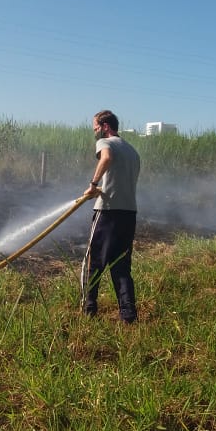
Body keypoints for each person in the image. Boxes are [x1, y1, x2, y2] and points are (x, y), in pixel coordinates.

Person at [82, 109, 141, 323]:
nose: (95, 132)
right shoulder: (132, 151)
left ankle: (89, 311)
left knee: (94, 262)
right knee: (121, 267)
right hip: (129, 213)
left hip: (107, 211)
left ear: (106, 126)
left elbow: (106, 158)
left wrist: (93, 185)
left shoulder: (106, 143)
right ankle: (128, 317)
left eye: (96, 128)